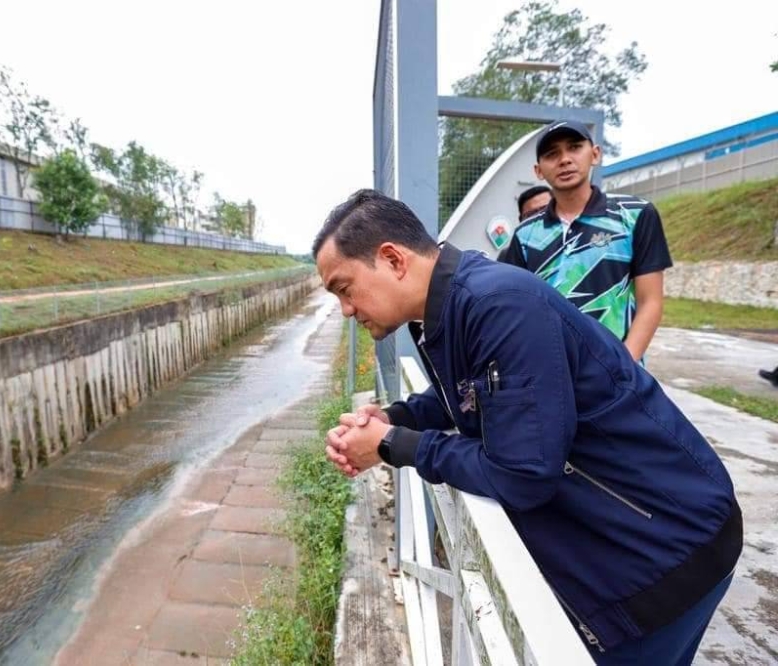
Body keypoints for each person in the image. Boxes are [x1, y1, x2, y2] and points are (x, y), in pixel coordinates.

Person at [314, 189, 742, 665]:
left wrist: (394, 444)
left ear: (392, 259)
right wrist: (397, 417)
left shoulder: (499, 305)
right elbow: (470, 392)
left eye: (344, 288)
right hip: (636, 536)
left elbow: (522, 472)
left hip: (666, 549)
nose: (346, 311)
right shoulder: (454, 306)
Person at [500, 120, 673, 362]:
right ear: (538, 171)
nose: (565, 160)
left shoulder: (635, 215)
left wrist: (623, 368)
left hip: (619, 380)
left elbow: (650, 302)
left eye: (574, 147)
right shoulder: (525, 234)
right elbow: (519, 309)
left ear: (595, 154)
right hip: (552, 377)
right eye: (552, 154)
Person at [497, 185, 553, 263]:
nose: (540, 217)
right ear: (521, 220)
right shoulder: (510, 256)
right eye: (531, 214)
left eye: (545, 209)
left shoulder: (573, 240)